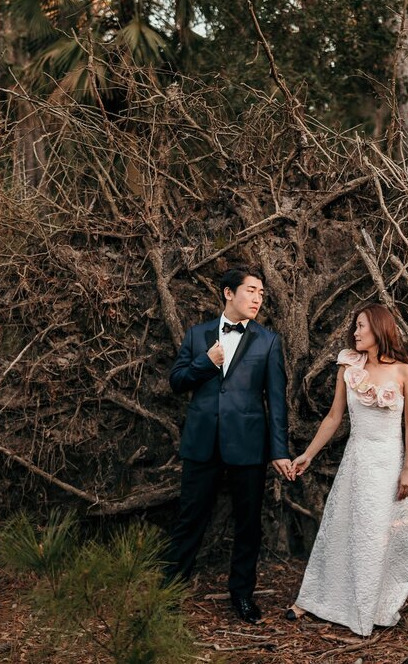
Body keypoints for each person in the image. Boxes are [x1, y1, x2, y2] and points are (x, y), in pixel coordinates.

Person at [164, 265, 295, 624]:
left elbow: (277, 401)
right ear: (228, 293)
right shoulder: (197, 334)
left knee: (248, 524)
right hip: (201, 444)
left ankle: (242, 596)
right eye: (251, 290)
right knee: (189, 520)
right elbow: (176, 382)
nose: (257, 298)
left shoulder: (268, 341)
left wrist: (279, 450)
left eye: (261, 294)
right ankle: (168, 593)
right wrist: (205, 364)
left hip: (248, 446)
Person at [286, 303, 408, 636]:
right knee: (343, 525)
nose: (355, 332)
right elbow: (334, 417)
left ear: (379, 328)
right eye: (355, 326)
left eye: (361, 326)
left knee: (376, 533)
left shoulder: (405, 373)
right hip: (357, 459)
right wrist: (308, 454)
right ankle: (318, 598)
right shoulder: (348, 368)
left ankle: (367, 604)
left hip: (388, 462)